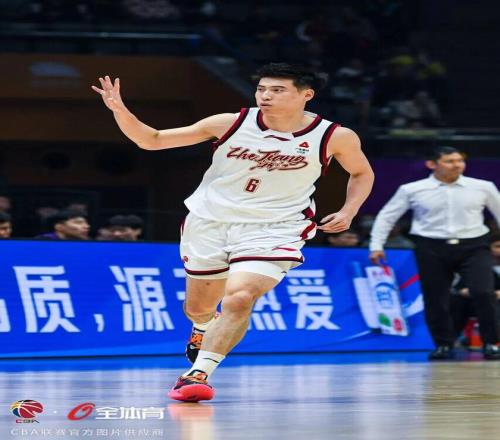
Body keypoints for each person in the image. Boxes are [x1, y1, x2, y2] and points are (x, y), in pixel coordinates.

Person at [93, 63, 374, 401]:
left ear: (306, 95)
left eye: (277, 90)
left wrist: (349, 210)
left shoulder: (334, 136)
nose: (266, 96)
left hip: (276, 228)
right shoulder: (230, 123)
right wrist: (120, 111)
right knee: (199, 308)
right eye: (262, 89)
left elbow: (361, 173)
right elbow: (151, 140)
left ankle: (197, 375)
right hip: (210, 222)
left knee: (239, 297)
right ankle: (202, 328)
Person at [369, 146, 500, 360]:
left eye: (460, 160)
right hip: (431, 246)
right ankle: (443, 344)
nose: (457, 165)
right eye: (449, 161)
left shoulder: (483, 187)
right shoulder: (411, 189)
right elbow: (387, 216)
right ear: (432, 164)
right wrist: (376, 245)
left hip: (474, 245)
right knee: (435, 297)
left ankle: (491, 343)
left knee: (483, 292)